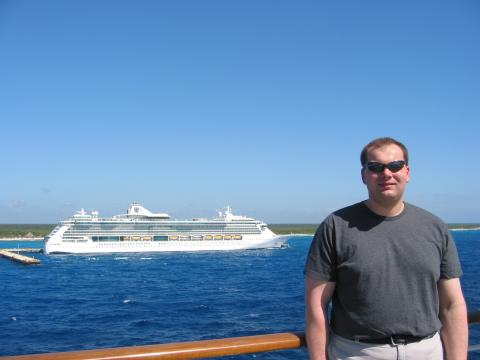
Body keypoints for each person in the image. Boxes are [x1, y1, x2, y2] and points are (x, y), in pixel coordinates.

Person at [304, 137, 468, 360]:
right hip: (357, 353)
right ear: (364, 175)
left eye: (395, 166)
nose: (386, 174)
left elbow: (452, 305)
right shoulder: (335, 227)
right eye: (375, 167)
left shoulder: (436, 227)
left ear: (407, 172)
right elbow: (316, 305)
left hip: (427, 351)